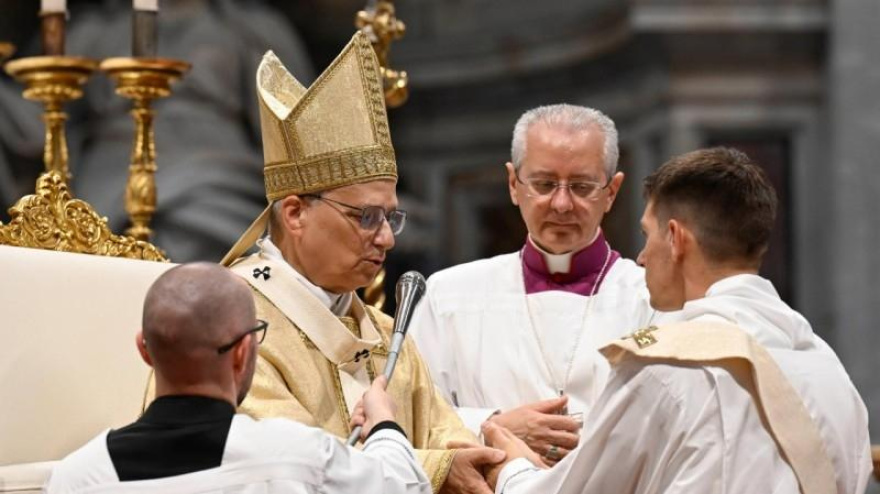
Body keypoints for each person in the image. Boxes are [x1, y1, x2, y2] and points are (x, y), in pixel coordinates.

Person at [482, 147, 872, 493]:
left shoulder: (666, 367)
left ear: (675, 238)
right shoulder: (826, 365)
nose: (641, 258)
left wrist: (512, 468)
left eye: (646, 234)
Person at [219, 32, 502, 494]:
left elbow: (447, 436)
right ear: (294, 214)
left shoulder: (384, 333)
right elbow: (284, 467)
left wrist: (490, 457)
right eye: (366, 217)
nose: (387, 238)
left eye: (392, 217)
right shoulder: (231, 325)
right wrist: (433, 469)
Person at [409, 104, 658, 464]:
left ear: (612, 192)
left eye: (581, 186)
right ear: (513, 184)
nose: (561, 203)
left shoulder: (653, 299)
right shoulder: (449, 295)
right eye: (543, 184)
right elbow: (412, 415)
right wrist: (492, 427)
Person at [45, 263, 432, 493]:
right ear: (244, 352)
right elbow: (403, 487)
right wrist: (383, 425)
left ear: (144, 350)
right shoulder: (294, 456)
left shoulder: (74, 478)